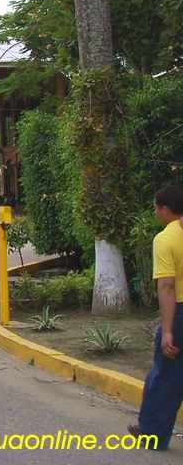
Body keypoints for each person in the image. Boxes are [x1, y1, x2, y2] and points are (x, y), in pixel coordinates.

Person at [132, 185, 183, 450]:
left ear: (165, 209)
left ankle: (152, 432)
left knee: (165, 375)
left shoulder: (165, 239)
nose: (155, 211)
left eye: (156, 207)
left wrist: (168, 330)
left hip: (180, 312)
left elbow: (166, 286)